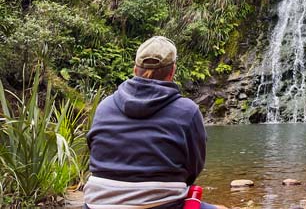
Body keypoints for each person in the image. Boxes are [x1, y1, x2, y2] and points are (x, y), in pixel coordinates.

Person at [83, 36, 227, 209]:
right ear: (172, 71)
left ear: (135, 69)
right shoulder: (187, 111)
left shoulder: (105, 106)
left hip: (97, 204)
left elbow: (95, 151)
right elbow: (194, 167)